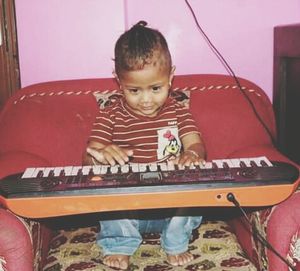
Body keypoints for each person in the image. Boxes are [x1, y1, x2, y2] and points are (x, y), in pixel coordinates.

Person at [83, 21, 206, 270]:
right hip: (127, 209)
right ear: (118, 81)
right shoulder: (110, 115)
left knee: (200, 190)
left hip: (172, 208)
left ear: (171, 76)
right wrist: (100, 156)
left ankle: (174, 241)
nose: (146, 100)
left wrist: (192, 154)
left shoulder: (178, 112)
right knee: (104, 196)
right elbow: (89, 158)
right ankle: (120, 243)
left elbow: (197, 144)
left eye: (156, 88)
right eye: (134, 90)